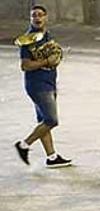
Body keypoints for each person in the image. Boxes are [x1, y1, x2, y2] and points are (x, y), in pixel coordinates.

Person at [13, 4, 72, 169]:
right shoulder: (28, 40)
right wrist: (47, 61)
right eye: (34, 16)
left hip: (50, 81)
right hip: (37, 84)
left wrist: (57, 57)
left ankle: (52, 157)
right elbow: (25, 65)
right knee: (51, 120)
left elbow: (53, 54)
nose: (37, 18)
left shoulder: (47, 35)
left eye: (40, 15)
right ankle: (24, 145)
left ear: (46, 18)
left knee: (43, 122)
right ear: (31, 19)